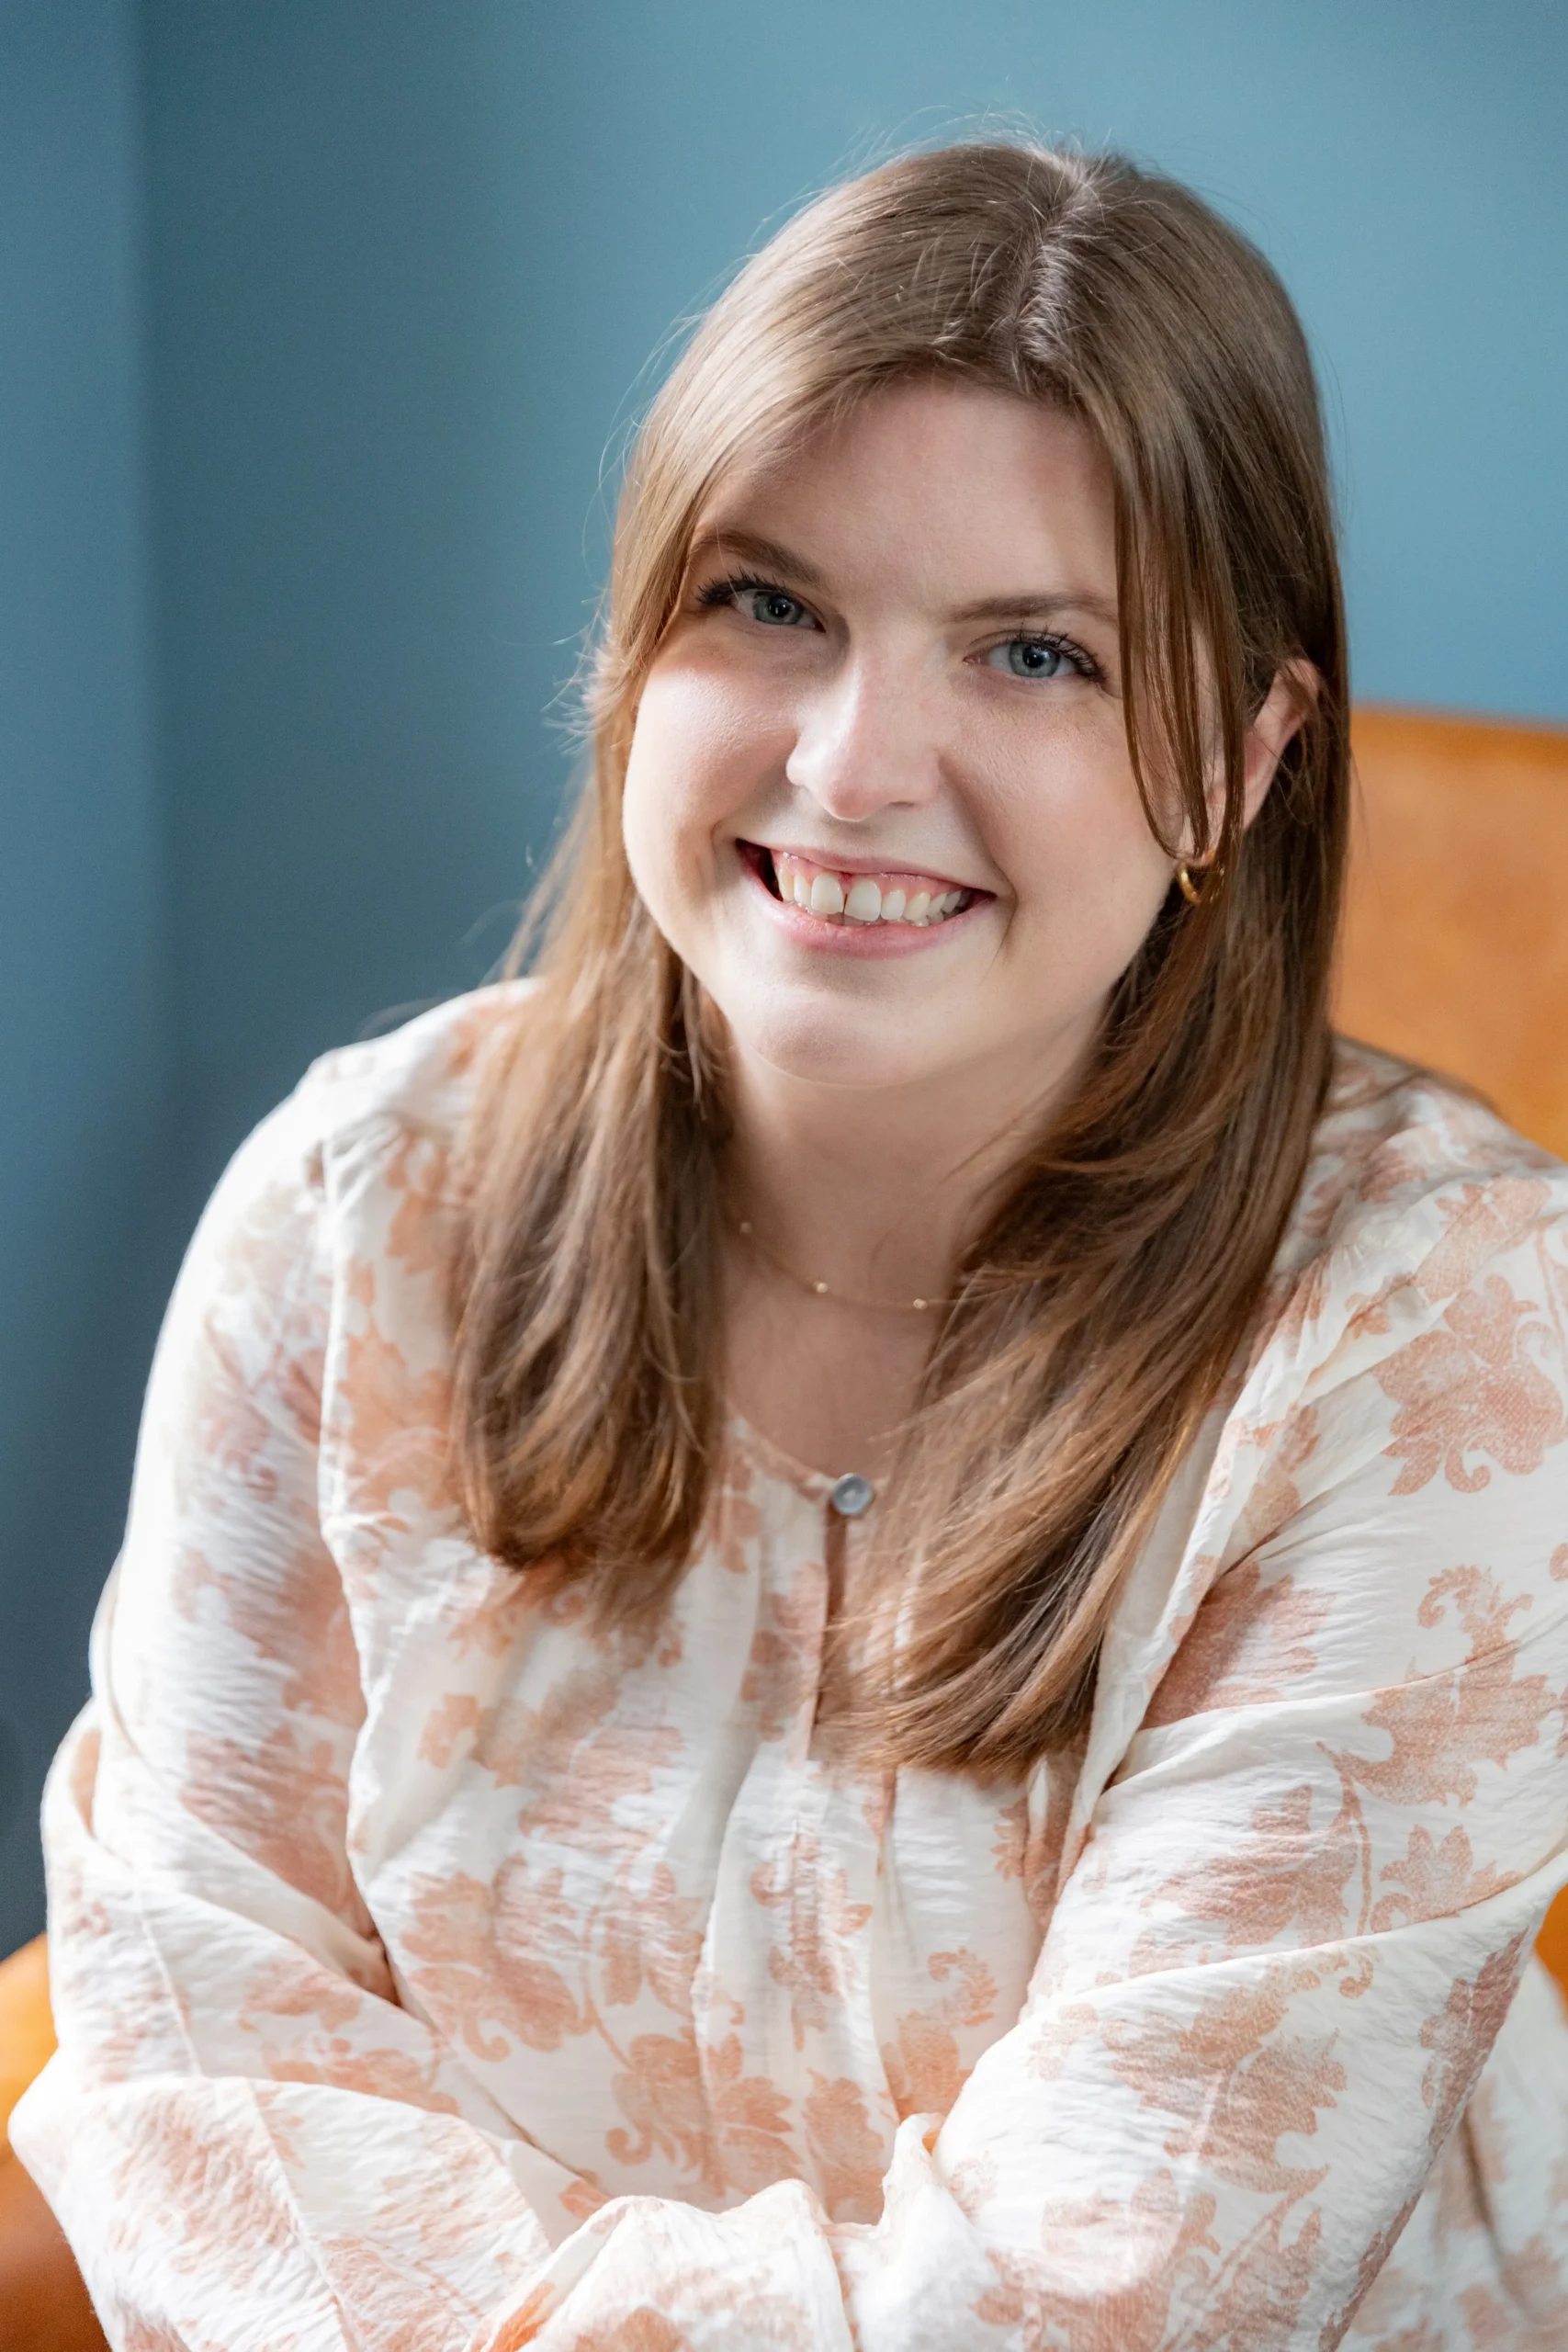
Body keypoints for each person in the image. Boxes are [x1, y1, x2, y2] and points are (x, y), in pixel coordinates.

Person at [13, 140, 1568, 2351]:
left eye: (1032, 652)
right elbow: (196, 2042)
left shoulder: (1448, 1325)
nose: (850, 765)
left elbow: (1096, 2299)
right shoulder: (354, 1210)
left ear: (1238, 760)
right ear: (628, 647)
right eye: (768, 603)